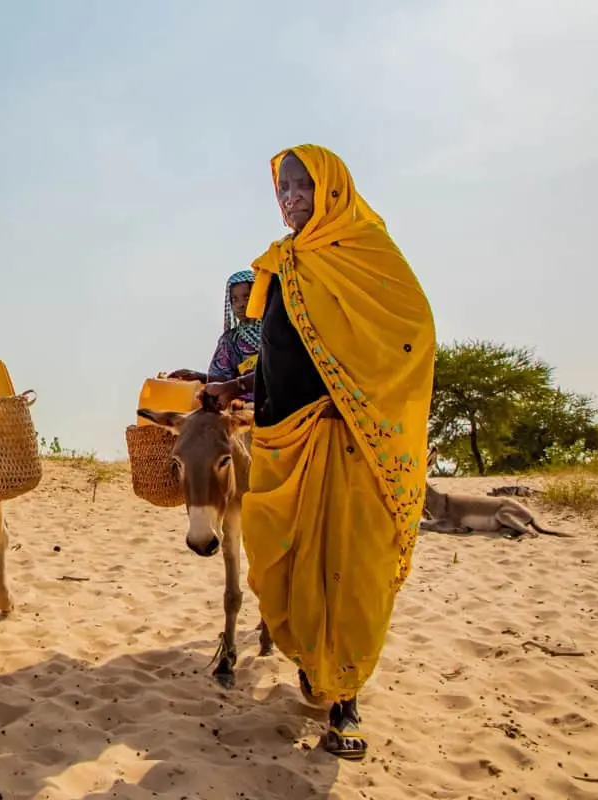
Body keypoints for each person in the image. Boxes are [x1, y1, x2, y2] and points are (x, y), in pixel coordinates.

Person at [208, 145, 434, 761]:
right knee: (286, 563)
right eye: (282, 187)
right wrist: (235, 387)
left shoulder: (368, 254)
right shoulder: (280, 266)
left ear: (332, 187)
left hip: (351, 444)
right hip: (283, 441)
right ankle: (315, 664)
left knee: (350, 574)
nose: (291, 197)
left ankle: (346, 702)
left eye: (303, 185)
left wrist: (355, 400)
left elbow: (411, 339)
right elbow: (281, 355)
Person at [168, 270, 261, 402]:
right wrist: (196, 376)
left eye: (247, 297)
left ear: (260, 297)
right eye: (234, 299)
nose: (240, 305)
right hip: (243, 408)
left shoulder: (278, 331)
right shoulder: (230, 340)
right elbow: (221, 380)